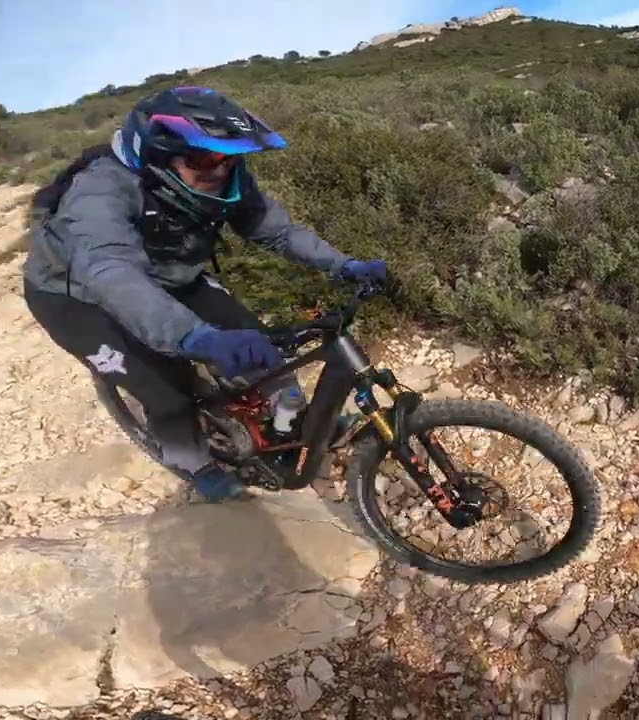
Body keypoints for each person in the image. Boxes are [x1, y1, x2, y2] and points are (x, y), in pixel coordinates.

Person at [22, 86, 386, 502]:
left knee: (264, 349)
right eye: (203, 157)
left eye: (229, 158)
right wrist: (194, 337)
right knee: (167, 390)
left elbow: (277, 230)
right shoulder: (100, 191)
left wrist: (345, 265)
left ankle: (293, 422)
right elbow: (110, 271)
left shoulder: (221, 177)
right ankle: (190, 459)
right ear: (158, 155)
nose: (220, 170)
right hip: (75, 296)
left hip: (172, 273)